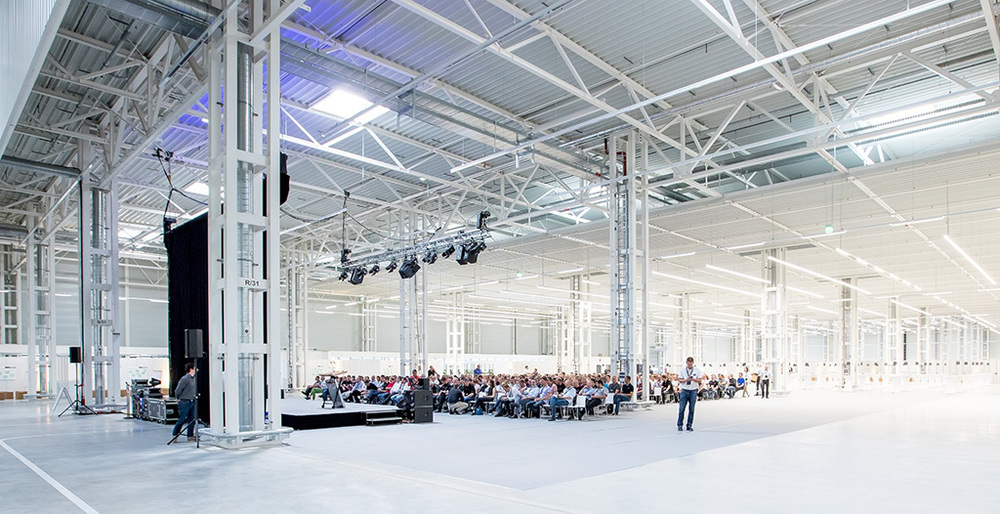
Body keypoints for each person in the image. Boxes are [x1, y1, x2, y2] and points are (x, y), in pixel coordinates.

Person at [172, 363, 198, 441]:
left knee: (192, 419)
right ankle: (175, 434)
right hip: (184, 402)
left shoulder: (193, 379)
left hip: (192, 401)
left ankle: (190, 435)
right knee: (182, 419)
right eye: (194, 368)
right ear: (191, 369)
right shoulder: (185, 379)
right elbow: (178, 390)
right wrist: (178, 398)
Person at [677, 357, 702, 432]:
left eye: (691, 363)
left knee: (691, 409)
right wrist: (686, 380)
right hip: (684, 390)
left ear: (693, 363)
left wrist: (693, 379)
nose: (690, 364)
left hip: (693, 390)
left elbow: (700, 380)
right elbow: (680, 380)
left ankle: (689, 425)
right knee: (681, 409)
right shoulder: (682, 370)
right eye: (688, 363)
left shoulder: (697, 370)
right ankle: (680, 424)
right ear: (686, 362)